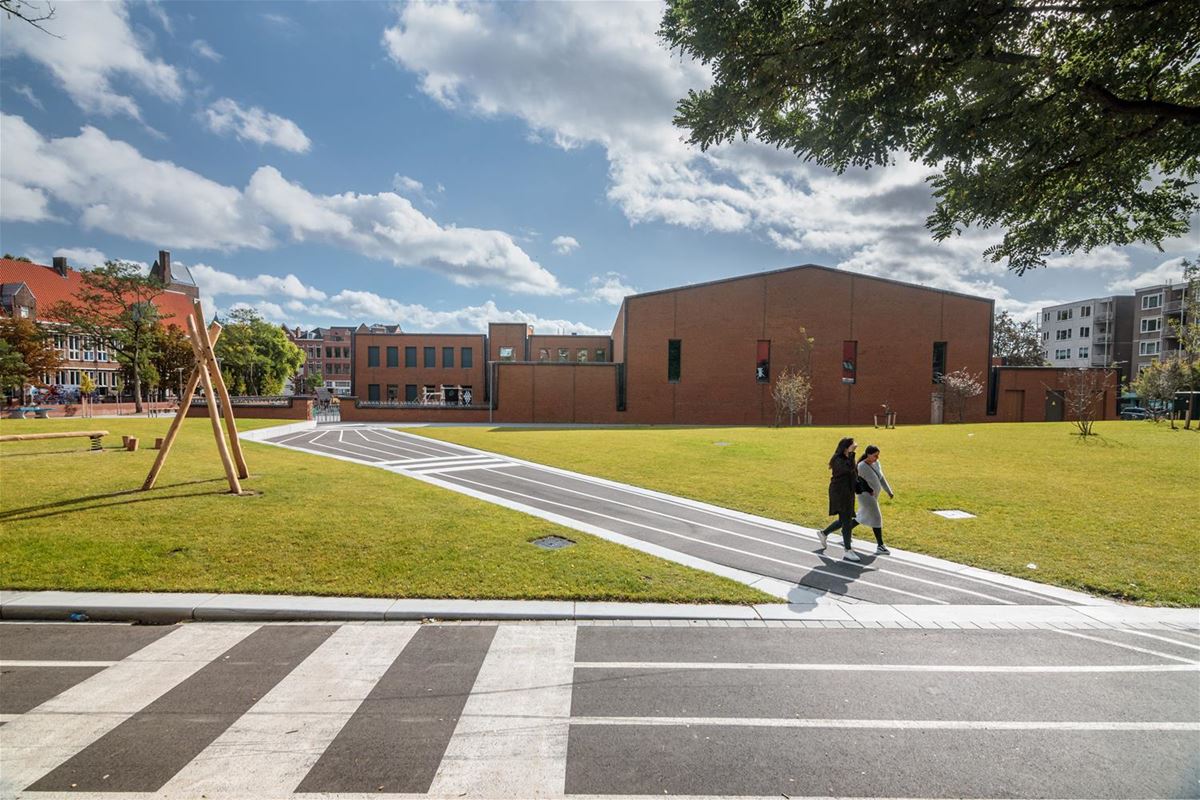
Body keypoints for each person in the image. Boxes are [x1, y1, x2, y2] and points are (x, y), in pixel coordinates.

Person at [817, 437, 862, 562]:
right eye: (852, 446)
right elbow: (848, 470)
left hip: (848, 492)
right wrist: (852, 454)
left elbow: (854, 473)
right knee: (847, 521)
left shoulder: (849, 458)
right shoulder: (837, 459)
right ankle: (848, 550)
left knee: (844, 519)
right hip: (839, 492)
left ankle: (824, 533)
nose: (855, 447)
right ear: (846, 447)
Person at [855, 445, 895, 555]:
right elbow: (859, 481)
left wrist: (889, 491)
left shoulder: (876, 463)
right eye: (875, 456)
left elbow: (881, 478)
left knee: (861, 517)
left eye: (878, 456)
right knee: (877, 518)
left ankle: (831, 532)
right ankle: (880, 546)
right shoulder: (861, 466)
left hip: (873, 495)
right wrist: (869, 489)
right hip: (866, 496)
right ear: (868, 454)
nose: (877, 458)